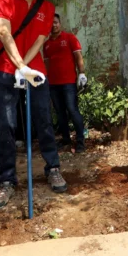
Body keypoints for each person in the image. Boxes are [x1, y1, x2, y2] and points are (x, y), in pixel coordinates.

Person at [0, 0, 67, 212]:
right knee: (6, 126)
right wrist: (18, 66)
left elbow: (39, 41)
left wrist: (26, 68)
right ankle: (7, 181)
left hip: (35, 72)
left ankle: (53, 168)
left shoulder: (46, 7)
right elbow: (4, 32)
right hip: (5, 70)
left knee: (44, 120)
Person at [43, 14, 87, 153]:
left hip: (68, 82)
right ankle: (66, 139)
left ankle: (80, 141)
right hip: (53, 84)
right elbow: (47, 63)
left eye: (56, 22)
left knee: (72, 110)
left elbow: (78, 56)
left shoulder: (69, 38)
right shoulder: (46, 44)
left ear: (60, 23)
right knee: (60, 112)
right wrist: (46, 79)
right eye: (51, 23)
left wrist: (82, 73)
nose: (54, 25)